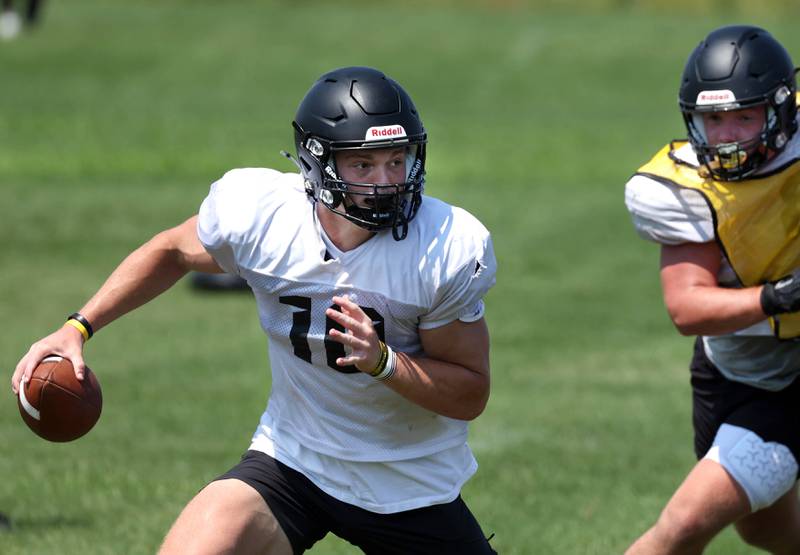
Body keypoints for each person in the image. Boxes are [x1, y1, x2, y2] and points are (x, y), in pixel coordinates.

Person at [12, 66, 498, 554]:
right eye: (364, 165)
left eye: (397, 160)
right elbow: (173, 251)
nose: (387, 182)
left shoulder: (442, 248)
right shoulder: (264, 216)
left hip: (409, 486)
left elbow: (469, 392)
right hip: (295, 462)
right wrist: (78, 327)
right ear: (318, 164)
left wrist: (385, 363)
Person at [624, 25, 800, 554]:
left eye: (744, 117)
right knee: (767, 529)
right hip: (757, 376)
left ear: (780, 110)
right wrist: (780, 297)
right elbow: (687, 307)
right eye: (713, 120)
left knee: (682, 523)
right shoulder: (685, 188)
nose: (727, 136)